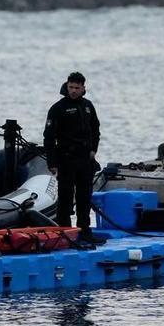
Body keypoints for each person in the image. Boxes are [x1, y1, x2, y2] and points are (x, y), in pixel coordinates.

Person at [43, 71, 101, 238]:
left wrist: (93, 150)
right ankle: (65, 232)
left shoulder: (88, 106)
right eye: (70, 87)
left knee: (85, 197)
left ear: (83, 88)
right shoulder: (58, 108)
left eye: (77, 87)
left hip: (85, 159)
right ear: (66, 86)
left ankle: (84, 230)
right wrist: (52, 163)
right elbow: (48, 137)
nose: (73, 90)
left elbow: (96, 129)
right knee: (65, 197)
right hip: (66, 159)